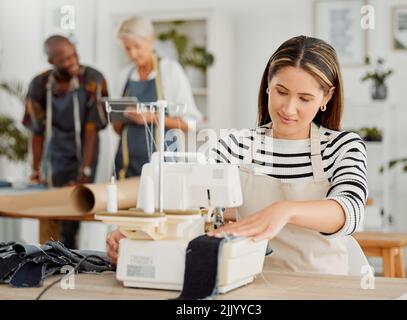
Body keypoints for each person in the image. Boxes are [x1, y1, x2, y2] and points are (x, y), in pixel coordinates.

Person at [106, 36, 367, 275]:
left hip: (322, 286)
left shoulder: (343, 146)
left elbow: (350, 211)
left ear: (327, 96)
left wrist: (284, 211)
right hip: (253, 282)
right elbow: (185, 189)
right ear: (268, 85)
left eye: (305, 98)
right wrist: (135, 231)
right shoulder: (237, 145)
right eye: (282, 92)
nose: (289, 108)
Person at [23, 35, 109, 249]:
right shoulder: (39, 84)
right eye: (64, 59)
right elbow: (37, 131)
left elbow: (92, 130)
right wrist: (36, 168)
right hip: (54, 156)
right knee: (51, 213)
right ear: (51, 61)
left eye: (74, 55)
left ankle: (70, 263)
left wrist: (85, 172)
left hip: (85, 154)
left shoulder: (93, 79)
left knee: (74, 216)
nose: (72, 61)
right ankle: (51, 262)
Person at [113, 16, 203, 179]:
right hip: (126, 168)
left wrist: (150, 117)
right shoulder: (124, 76)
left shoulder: (170, 71)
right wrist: (119, 117)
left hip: (164, 171)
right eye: (127, 48)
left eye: (137, 46)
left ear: (151, 40)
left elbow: (191, 123)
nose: (132, 53)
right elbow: (117, 130)